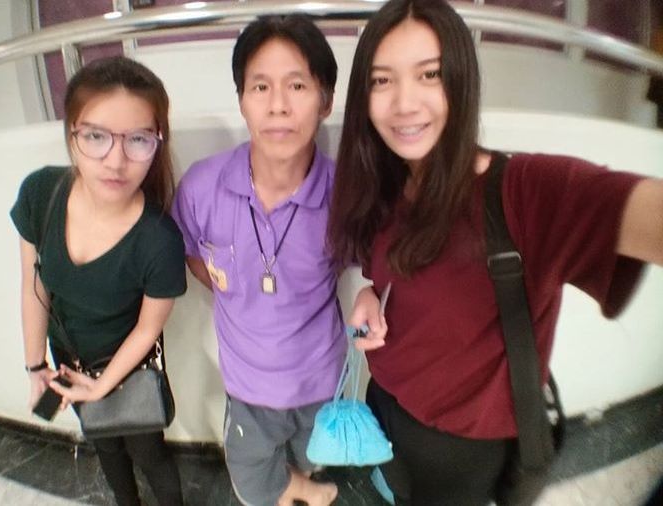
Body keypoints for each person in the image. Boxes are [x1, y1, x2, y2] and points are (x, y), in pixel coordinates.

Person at [326, 1, 663, 505]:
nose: (404, 103)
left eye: (430, 74)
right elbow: (389, 275)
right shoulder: (387, 183)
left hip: (461, 446)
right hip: (384, 402)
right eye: (382, 80)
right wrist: (369, 296)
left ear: (461, 81)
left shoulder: (523, 191)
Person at [172, 15, 342, 506]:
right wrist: (234, 286)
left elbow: (372, 264)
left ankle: (302, 483)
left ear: (325, 100)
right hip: (245, 381)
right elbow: (190, 252)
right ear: (242, 100)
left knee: (308, 456)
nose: (278, 105)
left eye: (297, 85)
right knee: (252, 480)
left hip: (320, 375)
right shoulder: (203, 186)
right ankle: (302, 491)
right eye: (260, 87)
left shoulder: (346, 194)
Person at [10, 56, 187, 506]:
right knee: (105, 447)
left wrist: (102, 386)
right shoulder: (40, 194)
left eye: (138, 140)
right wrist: (35, 367)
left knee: (148, 453)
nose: (116, 160)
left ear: (157, 142)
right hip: (68, 362)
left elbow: (148, 330)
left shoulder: (159, 239)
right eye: (96, 136)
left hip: (128, 370)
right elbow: (34, 286)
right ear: (72, 134)